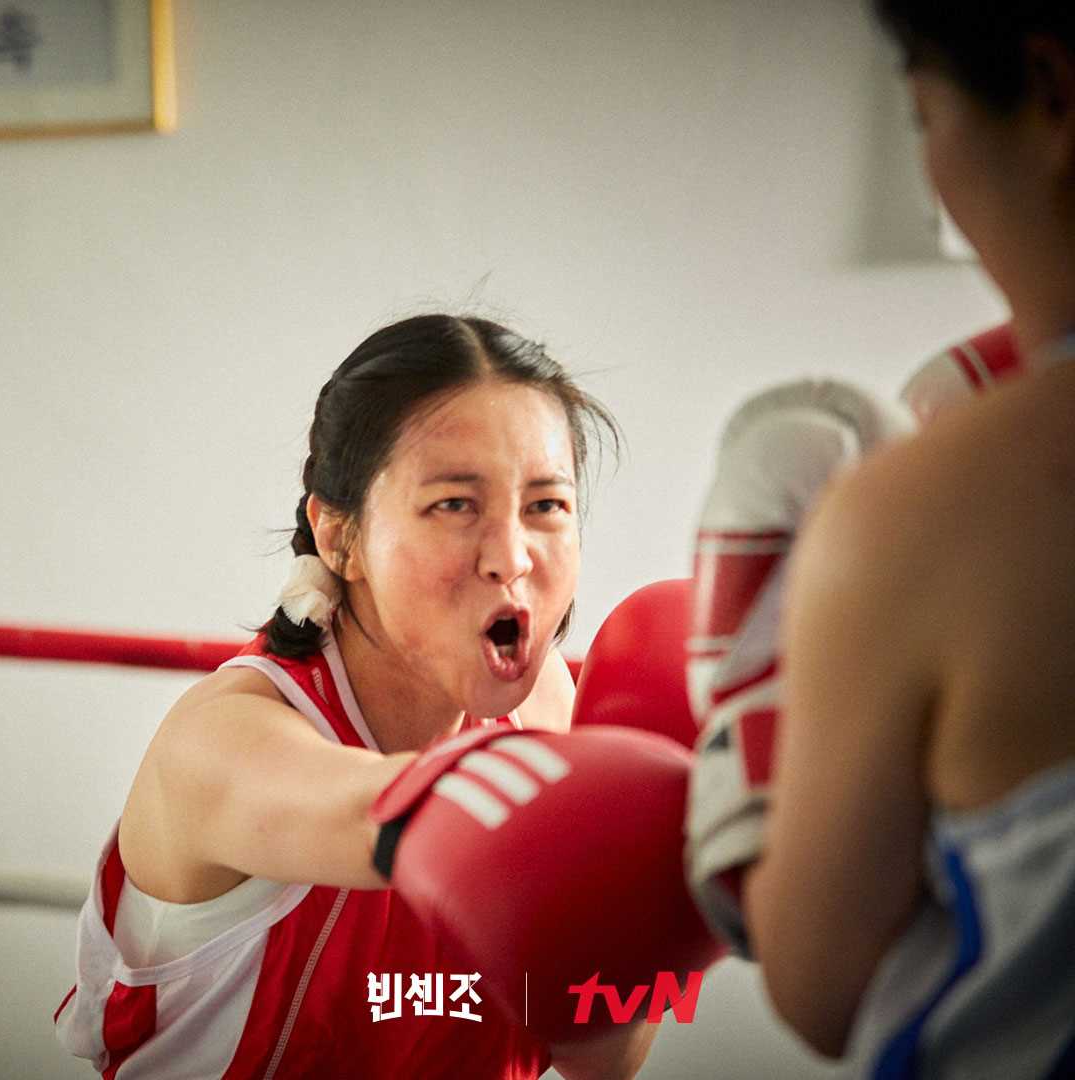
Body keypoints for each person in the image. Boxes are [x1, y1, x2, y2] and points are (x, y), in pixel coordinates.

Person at [52, 314, 700, 1079]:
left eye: (546, 505)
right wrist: (665, 812)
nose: (512, 556)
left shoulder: (545, 706)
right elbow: (388, 817)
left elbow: (603, 1059)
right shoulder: (226, 740)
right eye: (454, 503)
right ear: (339, 536)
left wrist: (665, 890)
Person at [686, 4, 1075, 1077]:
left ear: (1050, 97)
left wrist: (750, 732)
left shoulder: (924, 518)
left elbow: (823, 987)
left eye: (924, 117)